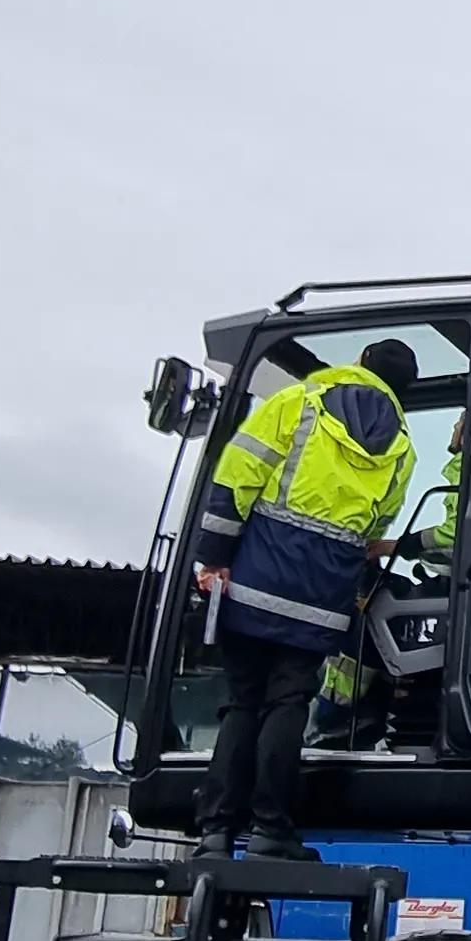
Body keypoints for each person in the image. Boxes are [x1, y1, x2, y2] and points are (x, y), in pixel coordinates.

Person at [192, 339, 421, 858]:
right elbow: (374, 527)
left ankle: (216, 831)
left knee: (243, 702)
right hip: (321, 598)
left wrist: (215, 555)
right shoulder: (402, 447)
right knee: (288, 703)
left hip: (255, 582)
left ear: (361, 363)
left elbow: (237, 478)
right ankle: (271, 829)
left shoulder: (301, 401)